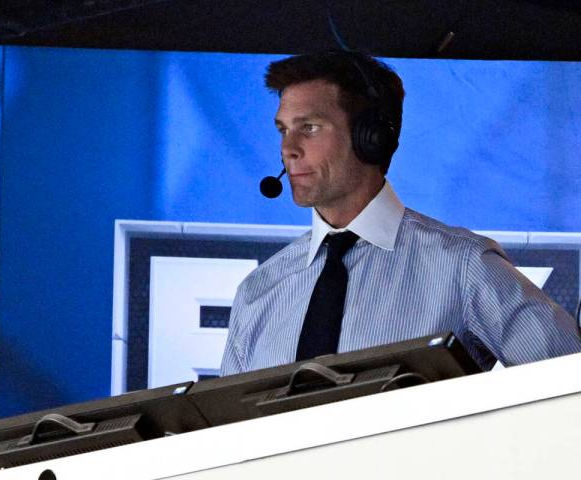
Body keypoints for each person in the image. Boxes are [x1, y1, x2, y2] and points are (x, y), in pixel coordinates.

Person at [220, 51, 581, 375]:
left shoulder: (462, 266)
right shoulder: (259, 291)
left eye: (309, 128)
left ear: (371, 136)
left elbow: (570, 383)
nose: (288, 149)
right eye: (283, 130)